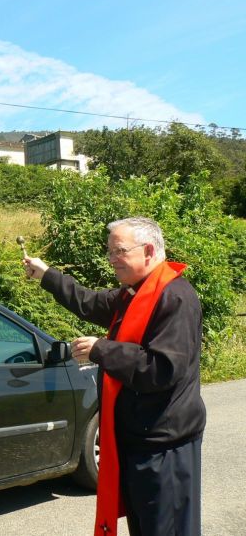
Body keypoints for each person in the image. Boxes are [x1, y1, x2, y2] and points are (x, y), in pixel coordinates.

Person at [23, 217, 206, 536]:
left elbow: (160, 369)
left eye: (118, 251)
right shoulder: (134, 293)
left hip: (164, 445)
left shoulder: (174, 297)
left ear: (148, 251)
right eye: (109, 251)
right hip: (138, 439)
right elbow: (90, 302)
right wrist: (47, 275)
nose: (110, 259)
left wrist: (101, 350)